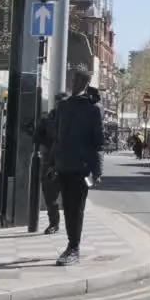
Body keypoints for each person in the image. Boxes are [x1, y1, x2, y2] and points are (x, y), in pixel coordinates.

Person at [50, 66, 104, 266]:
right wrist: (52, 163)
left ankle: (74, 247)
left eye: (79, 81)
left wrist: (97, 171)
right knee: (67, 208)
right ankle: (71, 245)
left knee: (76, 209)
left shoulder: (93, 109)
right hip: (64, 165)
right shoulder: (64, 106)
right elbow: (58, 137)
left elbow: (99, 143)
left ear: (86, 84)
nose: (74, 84)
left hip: (82, 168)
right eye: (73, 80)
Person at [33, 102, 61, 235]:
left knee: (70, 198)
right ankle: (54, 223)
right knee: (50, 196)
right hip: (49, 161)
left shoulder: (72, 119)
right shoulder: (47, 120)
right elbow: (36, 137)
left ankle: (60, 224)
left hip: (66, 162)